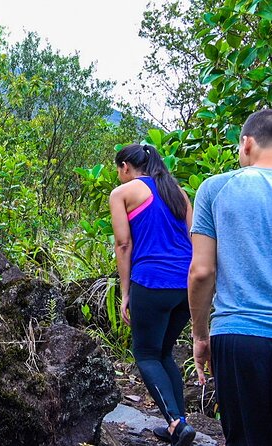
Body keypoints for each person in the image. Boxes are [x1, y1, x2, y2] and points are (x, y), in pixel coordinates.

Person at [189, 109, 272, 445]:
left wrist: (200, 335)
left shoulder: (215, 189)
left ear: (246, 143)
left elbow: (202, 271)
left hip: (240, 335)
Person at [109, 144, 196, 446]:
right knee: (163, 353)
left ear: (125, 167)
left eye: (118, 170)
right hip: (186, 285)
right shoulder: (176, 192)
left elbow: (123, 245)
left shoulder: (123, 193)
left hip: (152, 281)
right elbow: (194, 236)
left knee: (146, 355)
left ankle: (174, 421)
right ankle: (179, 425)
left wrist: (125, 292)